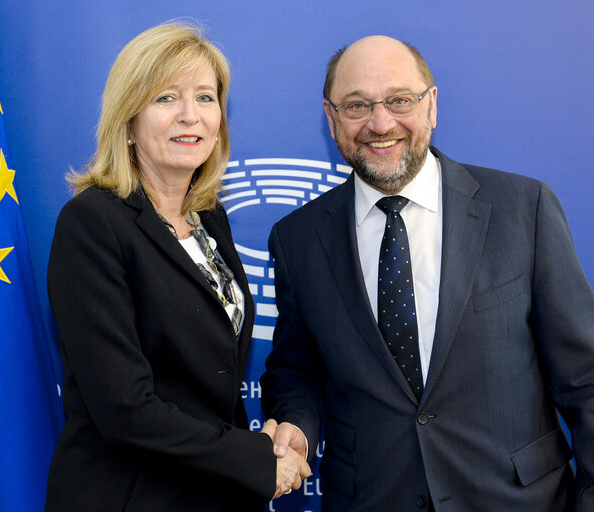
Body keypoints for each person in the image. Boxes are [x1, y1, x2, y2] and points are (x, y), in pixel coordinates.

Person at [261, 35, 594, 511]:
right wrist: (295, 425)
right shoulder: (297, 240)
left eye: (399, 100)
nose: (380, 123)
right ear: (331, 118)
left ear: (432, 105)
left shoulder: (524, 210)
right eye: (356, 106)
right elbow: (297, 370)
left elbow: (586, 382)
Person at [45, 22, 309, 511]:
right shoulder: (91, 223)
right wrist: (253, 458)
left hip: (213, 494)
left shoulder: (209, 219)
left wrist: (269, 445)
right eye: (166, 98)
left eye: (206, 98)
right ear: (129, 120)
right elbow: (124, 409)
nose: (191, 116)